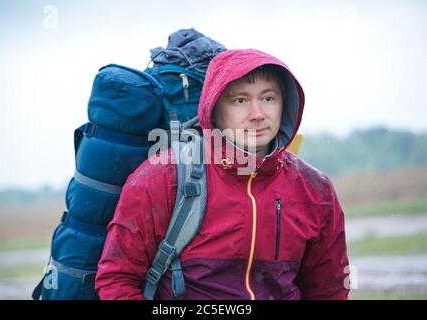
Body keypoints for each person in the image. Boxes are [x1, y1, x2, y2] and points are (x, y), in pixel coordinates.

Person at [95, 48, 350, 300]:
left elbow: (330, 290)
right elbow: (116, 279)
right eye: (240, 100)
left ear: (286, 103)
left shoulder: (315, 189)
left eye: (268, 98)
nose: (258, 114)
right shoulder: (163, 176)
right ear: (213, 109)